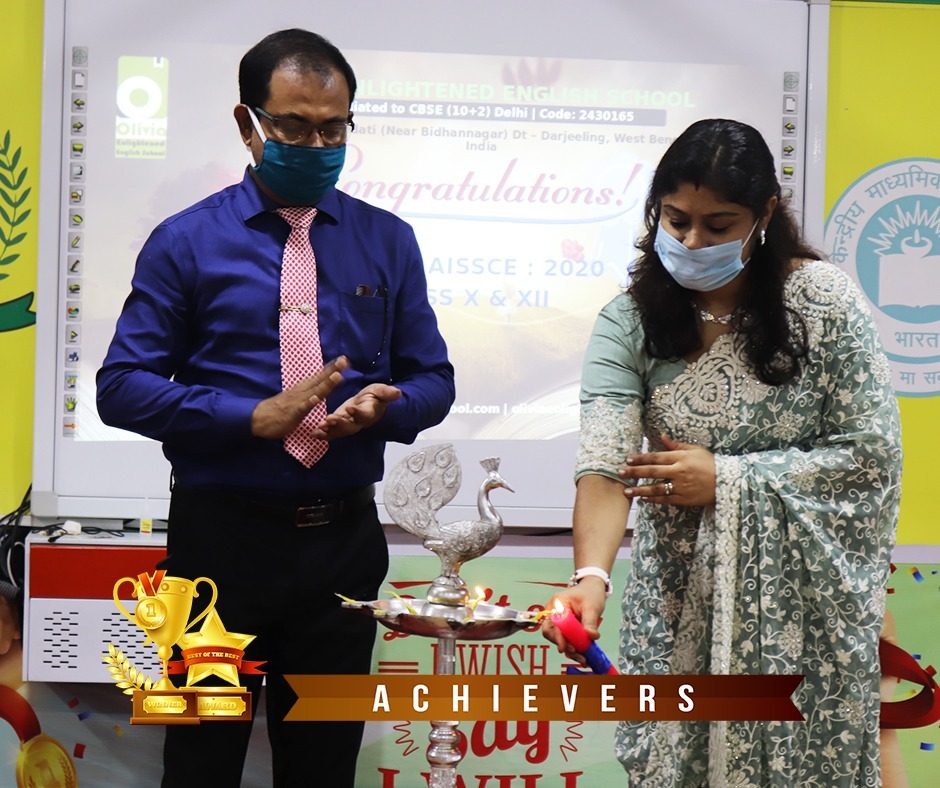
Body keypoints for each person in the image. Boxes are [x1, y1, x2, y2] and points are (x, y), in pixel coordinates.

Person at [97, 29, 455, 788]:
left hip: (343, 549)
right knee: (199, 764)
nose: (316, 146)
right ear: (248, 124)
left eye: (334, 129)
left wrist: (387, 408)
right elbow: (121, 385)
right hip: (216, 552)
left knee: (323, 767)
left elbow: (434, 379)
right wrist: (246, 417)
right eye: (294, 127)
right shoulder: (185, 242)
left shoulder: (388, 241)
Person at [541, 118, 902, 786]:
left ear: (764, 215)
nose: (691, 242)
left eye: (718, 225)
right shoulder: (630, 321)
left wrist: (728, 479)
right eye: (675, 220)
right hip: (677, 607)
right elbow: (606, 465)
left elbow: (870, 457)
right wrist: (590, 577)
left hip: (806, 623)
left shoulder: (822, 303)